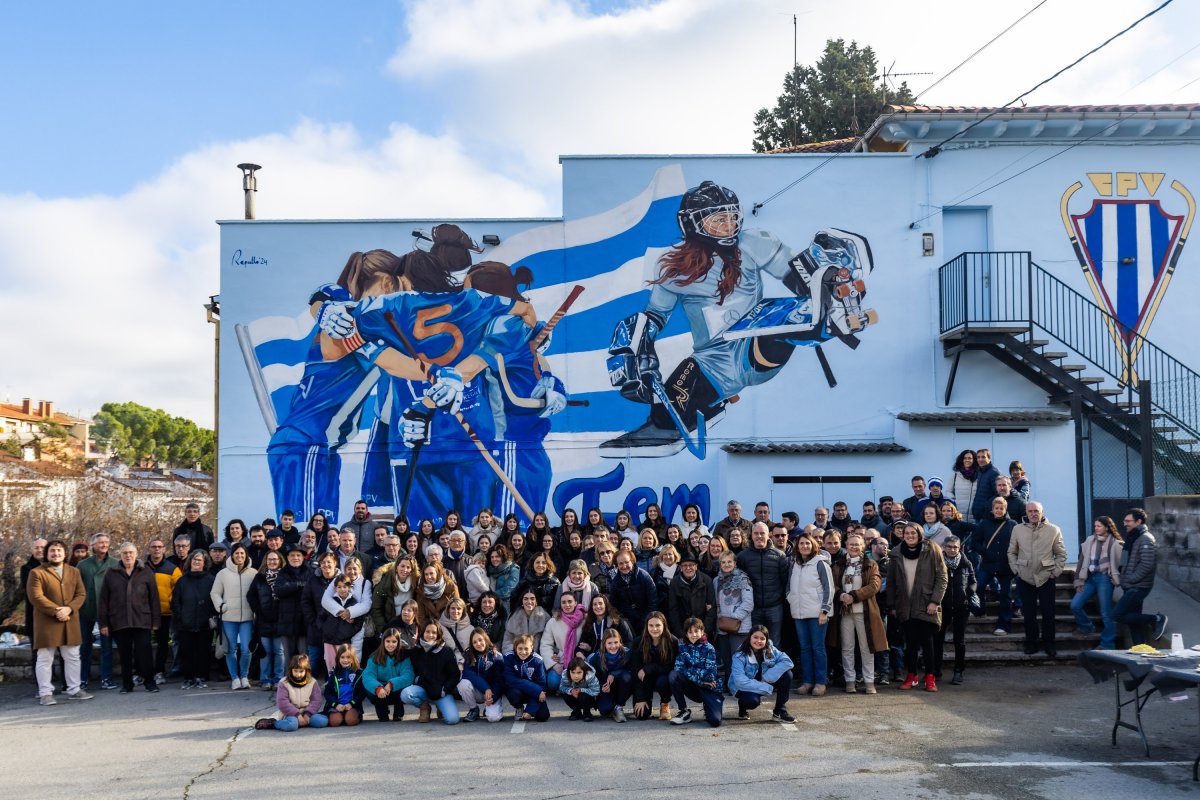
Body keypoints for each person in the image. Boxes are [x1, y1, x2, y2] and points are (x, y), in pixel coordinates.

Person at [26, 539, 93, 705]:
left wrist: (69, 609)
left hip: (69, 620)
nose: (56, 553)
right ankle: (45, 693)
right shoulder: (37, 572)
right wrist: (58, 610)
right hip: (46, 622)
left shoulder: (74, 571)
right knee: (45, 658)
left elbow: (81, 594)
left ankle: (75, 689)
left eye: (59, 550)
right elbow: (36, 597)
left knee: (72, 657)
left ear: (64, 554)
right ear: (47, 554)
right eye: (52, 551)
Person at [888, 522, 947, 692]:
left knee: (928, 643)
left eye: (913, 533)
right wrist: (892, 604)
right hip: (905, 605)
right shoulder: (896, 553)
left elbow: (942, 577)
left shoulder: (932, 549)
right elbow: (891, 582)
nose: (910, 536)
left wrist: (935, 601)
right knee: (910, 643)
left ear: (919, 534)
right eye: (906, 533)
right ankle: (912, 675)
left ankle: (930, 677)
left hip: (926, 603)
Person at [99, 542, 161, 694]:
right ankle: (127, 684)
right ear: (120, 555)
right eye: (125, 553)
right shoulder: (111, 573)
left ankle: (150, 682)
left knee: (144, 653)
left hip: (142, 620)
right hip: (119, 620)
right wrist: (103, 623)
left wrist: (156, 621)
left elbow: (154, 598)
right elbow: (103, 600)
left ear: (136, 554)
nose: (128, 556)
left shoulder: (146, 571)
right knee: (124, 655)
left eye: (131, 553)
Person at [829, 533, 886, 694]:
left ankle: (869, 681)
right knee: (847, 648)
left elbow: (874, 585)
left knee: (867, 647)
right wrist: (841, 596)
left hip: (864, 612)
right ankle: (850, 680)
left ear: (863, 547)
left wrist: (853, 596)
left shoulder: (870, 564)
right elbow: (833, 585)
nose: (854, 547)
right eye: (851, 544)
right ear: (846, 545)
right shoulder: (839, 564)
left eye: (857, 544)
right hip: (844, 613)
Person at [1007, 501, 1066, 657]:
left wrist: (1056, 572)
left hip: (1047, 576)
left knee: (1049, 614)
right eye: (1030, 511)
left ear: (1042, 512)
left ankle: (1049, 644)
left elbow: (1061, 554)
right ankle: (1031, 643)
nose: (1033, 514)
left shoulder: (1053, 530)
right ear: (1026, 512)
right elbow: (1011, 552)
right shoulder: (1017, 529)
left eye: (1036, 511)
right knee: (1029, 613)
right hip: (1025, 577)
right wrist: (1016, 569)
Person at [786, 533, 833, 696]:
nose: (804, 546)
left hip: (817, 613)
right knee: (805, 649)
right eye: (801, 544)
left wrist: (824, 610)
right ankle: (807, 682)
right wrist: (790, 598)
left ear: (813, 545)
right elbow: (788, 586)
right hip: (799, 613)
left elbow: (829, 588)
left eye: (807, 543)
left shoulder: (820, 562)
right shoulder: (794, 564)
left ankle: (820, 682)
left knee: (817, 648)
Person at [1114, 508, 1168, 646]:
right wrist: (1122, 576)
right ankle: (1141, 650)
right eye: (1124, 520)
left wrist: (1130, 579)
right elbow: (1125, 561)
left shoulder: (1145, 539)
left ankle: (1156, 619)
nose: (1125, 523)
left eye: (1128, 521)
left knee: (1118, 614)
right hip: (1130, 585)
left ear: (1139, 521)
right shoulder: (1133, 537)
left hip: (1138, 586)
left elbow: (1147, 565)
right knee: (1134, 623)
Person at [1072, 517, 1123, 650]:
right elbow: (1081, 562)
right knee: (1075, 605)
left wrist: (1115, 576)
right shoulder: (1090, 540)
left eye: (1099, 526)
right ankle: (1087, 626)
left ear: (1107, 527)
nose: (1096, 528)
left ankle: (1107, 644)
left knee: (1106, 612)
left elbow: (1119, 564)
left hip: (1104, 578)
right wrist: (1078, 580)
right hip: (1090, 578)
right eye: (1095, 526)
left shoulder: (1115, 543)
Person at [211, 543, 257, 690]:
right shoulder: (223, 573)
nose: (239, 556)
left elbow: (258, 593)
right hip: (228, 618)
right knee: (230, 649)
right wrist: (221, 607)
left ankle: (244, 676)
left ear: (246, 555)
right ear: (232, 555)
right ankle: (234, 678)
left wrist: (256, 610)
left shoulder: (253, 573)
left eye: (242, 554)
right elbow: (215, 593)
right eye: (237, 553)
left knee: (246, 649)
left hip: (247, 618)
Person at [736, 521, 789, 645]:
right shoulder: (743, 556)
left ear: (768, 535)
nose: (759, 536)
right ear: (752, 535)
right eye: (756, 533)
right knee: (755, 643)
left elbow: (785, 580)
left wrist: (779, 598)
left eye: (762, 533)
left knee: (774, 643)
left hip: (775, 607)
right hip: (754, 608)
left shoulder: (779, 555)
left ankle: (773, 665)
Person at [77, 532, 117, 690]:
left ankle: (106, 678)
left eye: (106, 542)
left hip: (106, 611)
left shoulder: (115, 563)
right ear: (93, 545)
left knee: (107, 646)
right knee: (84, 646)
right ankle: (82, 678)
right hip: (86, 610)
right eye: (100, 542)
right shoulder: (83, 565)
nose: (104, 545)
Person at [171, 550, 216, 690]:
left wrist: (211, 615)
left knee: (203, 652)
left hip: (204, 623)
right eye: (194, 559)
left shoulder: (211, 580)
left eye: (200, 560)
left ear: (205, 563)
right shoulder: (182, 580)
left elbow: (215, 599)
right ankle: (188, 678)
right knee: (187, 652)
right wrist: (181, 617)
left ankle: (201, 677)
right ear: (190, 561)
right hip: (186, 624)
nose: (196, 562)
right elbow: (175, 602)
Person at [730, 625, 794, 721]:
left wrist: (767, 677)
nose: (758, 641)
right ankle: (742, 708)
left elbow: (787, 662)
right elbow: (740, 681)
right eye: (755, 637)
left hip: (764, 680)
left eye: (762, 638)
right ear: (749, 637)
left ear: (766, 640)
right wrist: (766, 687)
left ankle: (779, 711)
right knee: (751, 702)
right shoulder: (739, 655)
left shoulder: (770, 648)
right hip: (743, 687)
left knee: (787, 675)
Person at [935, 536, 975, 686]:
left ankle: (958, 671)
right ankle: (935, 670)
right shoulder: (938, 563)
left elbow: (973, 581)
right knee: (937, 639)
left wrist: (969, 593)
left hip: (961, 606)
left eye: (955, 547)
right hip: (942, 607)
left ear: (959, 548)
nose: (952, 549)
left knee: (959, 640)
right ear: (944, 548)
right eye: (949, 547)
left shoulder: (966, 563)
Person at [669, 617, 722, 727]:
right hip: (694, 687)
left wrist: (689, 672)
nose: (693, 635)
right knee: (673, 676)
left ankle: (709, 706)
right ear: (686, 634)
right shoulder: (682, 647)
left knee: (715, 721)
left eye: (696, 631)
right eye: (690, 632)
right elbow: (678, 669)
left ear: (702, 631)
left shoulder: (709, 648)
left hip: (710, 688)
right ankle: (684, 712)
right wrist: (701, 681)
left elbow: (710, 675)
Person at [142, 538, 181, 686]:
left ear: (164, 549)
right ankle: (141, 673)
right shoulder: (141, 568)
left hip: (165, 613)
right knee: (142, 644)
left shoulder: (172, 569)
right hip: (145, 613)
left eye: (159, 547)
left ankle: (159, 671)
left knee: (163, 644)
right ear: (149, 549)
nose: (157, 549)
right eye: (153, 547)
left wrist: (171, 604)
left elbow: (178, 591)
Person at [248, 550, 286, 690]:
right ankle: (265, 680)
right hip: (263, 620)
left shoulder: (285, 576)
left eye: (275, 559)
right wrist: (259, 609)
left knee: (279, 652)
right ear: (265, 561)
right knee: (266, 652)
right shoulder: (259, 577)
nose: (272, 562)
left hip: (281, 620)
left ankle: (278, 679)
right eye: (269, 559)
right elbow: (250, 596)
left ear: (280, 560)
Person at [713, 550, 753, 682]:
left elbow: (748, 603)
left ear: (735, 563)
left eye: (729, 561)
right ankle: (730, 684)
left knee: (739, 658)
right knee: (727, 659)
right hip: (723, 627)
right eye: (723, 562)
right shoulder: (716, 581)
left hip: (739, 626)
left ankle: (741, 683)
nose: (726, 564)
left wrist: (734, 617)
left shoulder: (743, 578)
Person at [630, 612, 678, 720]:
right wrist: (640, 698)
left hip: (663, 676)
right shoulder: (638, 642)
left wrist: (649, 668)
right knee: (641, 715)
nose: (654, 629)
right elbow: (635, 670)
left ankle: (665, 704)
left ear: (664, 625)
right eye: (651, 625)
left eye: (658, 625)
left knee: (664, 681)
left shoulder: (672, 641)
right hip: (645, 679)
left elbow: (671, 666)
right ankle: (648, 702)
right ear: (646, 626)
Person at [263, 654, 328, 731]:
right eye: (295, 671)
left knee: (322, 721)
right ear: (291, 670)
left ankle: (302, 722)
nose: (298, 674)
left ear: (306, 670)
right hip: (290, 713)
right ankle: (274, 723)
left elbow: (316, 700)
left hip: (307, 712)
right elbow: (282, 702)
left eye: (301, 671)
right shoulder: (284, 683)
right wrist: (298, 715)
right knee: (291, 726)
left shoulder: (312, 682)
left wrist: (307, 714)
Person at [361, 628, 414, 721]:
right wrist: (378, 687)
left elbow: (408, 676)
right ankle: (383, 711)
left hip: (396, 689)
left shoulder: (404, 655)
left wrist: (391, 684)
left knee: (401, 690)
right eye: (388, 641)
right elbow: (368, 676)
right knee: (382, 718)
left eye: (394, 641)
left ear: (398, 642)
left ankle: (398, 711)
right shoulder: (374, 656)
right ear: (383, 642)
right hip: (380, 690)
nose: (390, 644)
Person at [301, 552, 339, 679]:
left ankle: (332, 688)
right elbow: (306, 602)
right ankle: (310, 688)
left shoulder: (342, 579)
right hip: (316, 628)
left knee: (333, 661)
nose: (326, 565)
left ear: (335, 563)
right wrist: (313, 620)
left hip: (336, 629)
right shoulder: (313, 580)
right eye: (323, 562)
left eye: (329, 562)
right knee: (314, 660)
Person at [541, 593, 585, 693]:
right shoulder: (553, 621)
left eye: (570, 601)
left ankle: (571, 689)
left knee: (582, 681)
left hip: (579, 660)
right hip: (562, 661)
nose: (567, 605)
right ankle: (569, 688)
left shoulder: (584, 619)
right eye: (563, 602)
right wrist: (553, 664)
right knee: (553, 683)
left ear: (576, 603)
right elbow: (545, 644)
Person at [458, 628, 505, 722]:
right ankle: (473, 709)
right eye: (474, 642)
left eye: (480, 640)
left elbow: (500, 680)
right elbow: (468, 674)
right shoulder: (468, 654)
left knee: (493, 718)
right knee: (463, 684)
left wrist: (493, 697)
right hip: (479, 691)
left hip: (492, 693)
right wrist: (485, 688)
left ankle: (490, 708)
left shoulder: (497, 656)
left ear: (486, 639)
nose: (478, 644)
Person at [666, 552, 716, 639]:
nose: (688, 568)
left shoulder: (706, 580)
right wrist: (680, 633)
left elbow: (712, 608)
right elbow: (673, 610)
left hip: (704, 632)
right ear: (680, 568)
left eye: (691, 565)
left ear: (696, 566)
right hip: (683, 631)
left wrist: (703, 631)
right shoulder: (674, 583)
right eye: (685, 565)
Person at [588, 628, 634, 722]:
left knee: (627, 677)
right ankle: (611, 705)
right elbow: (592, 676)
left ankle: (619, 706)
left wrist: (614, 674)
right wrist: (601, 687)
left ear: (620, 642)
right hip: (606, 688)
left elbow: (632, 671)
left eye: (616, 642)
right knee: (605, 710)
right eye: (609, 643)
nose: (613, 646)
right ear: (604, 643)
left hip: (621, 686)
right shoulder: (597, 656)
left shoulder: (626, 653)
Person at [503, 632, 550, 722]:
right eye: (520, 648)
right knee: (513, 693)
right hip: (518, 690)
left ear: (532, 647)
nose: (523, 652)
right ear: (515, 648)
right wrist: (535, 689)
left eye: (526, 649)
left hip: (533, 693)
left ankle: (527, 709)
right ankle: (519, 707)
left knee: (543, 716)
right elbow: (510, 679)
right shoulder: (508, 657)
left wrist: (530, 710)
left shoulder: (538, 660)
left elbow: (541, 686)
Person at [609, 551, 657, 632]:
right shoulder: (615, 582)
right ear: (616, 565)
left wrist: (644, 621)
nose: (624, 566)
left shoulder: (644, 577)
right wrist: (624, 622)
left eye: (627, 562)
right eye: (620, 563)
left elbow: (653, 602)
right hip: (627, 624)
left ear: (632, 561)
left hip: (646, 622)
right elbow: (614, 605)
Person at [322, 643, 363, 727]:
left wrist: (352, 703)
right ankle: (340, 717)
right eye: (342, 657)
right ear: (338, 658)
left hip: (352, 705)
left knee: (351, 721)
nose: (345, 660)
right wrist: (336, 704)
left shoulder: (359, 673)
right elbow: (327, 692)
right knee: (335, 722)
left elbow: (361, 693)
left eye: (348, 657)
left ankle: (353, 716)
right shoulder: (333, 673)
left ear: (353, 658)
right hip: (337, 705)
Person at [20, 538, 46, 662]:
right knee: (38, 652)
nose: (39, 550)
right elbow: (32, 592)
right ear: (32, 550)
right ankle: (40, 681)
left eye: (42, 547)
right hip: (35, 615)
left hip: (56, 616)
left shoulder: (58, 566)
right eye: (36, 548)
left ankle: (58, 679)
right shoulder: (26, 569)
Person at [560, 656, 601, 721]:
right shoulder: (566, 675)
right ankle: (576, 712)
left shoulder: (590, 676)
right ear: (569, 671)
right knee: (565, 694)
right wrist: (570, 691)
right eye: (573, 672)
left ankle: (587, 713)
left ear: (584, 672)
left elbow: (596, 691)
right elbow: (562, 687)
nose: (576, 676)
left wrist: (581, 690)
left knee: (583, 696)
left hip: (588, 698)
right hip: (574, 694)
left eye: (579, 672)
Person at [970, 449, 1002, 523]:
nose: (980, 459)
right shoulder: (980, 471)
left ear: (989, 458)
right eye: (978, 457)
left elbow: (998, 494)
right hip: (978, 514)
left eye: (983, 457)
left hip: (987, 515)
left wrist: (985, 507)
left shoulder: (994, 473)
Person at [948, 450, 979, 522]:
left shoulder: (979, 475)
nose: (967, 460)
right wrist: (954, 501)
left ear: (974, 460)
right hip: (958, 514)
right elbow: (949, 491)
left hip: (975, 515)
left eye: (969, 458)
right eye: (965, 458)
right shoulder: (955, 475)